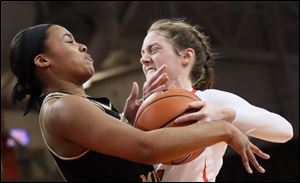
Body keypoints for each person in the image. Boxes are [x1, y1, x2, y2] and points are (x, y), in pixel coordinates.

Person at [9, 24, 270, 182]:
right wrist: (221, 129)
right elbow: (146, 148)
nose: (83, 45)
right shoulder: (61, 107)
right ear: (43, 60)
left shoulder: (81, 105)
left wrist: (128, 120)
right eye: (69, 41)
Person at [131, 18, 294, 182]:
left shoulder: (208, 100)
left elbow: (285, 131)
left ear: (186, 56)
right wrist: (127, 121)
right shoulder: (136, 113)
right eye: (142, 54)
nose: (143, 59)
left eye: (153, 50)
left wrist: (225, 115)